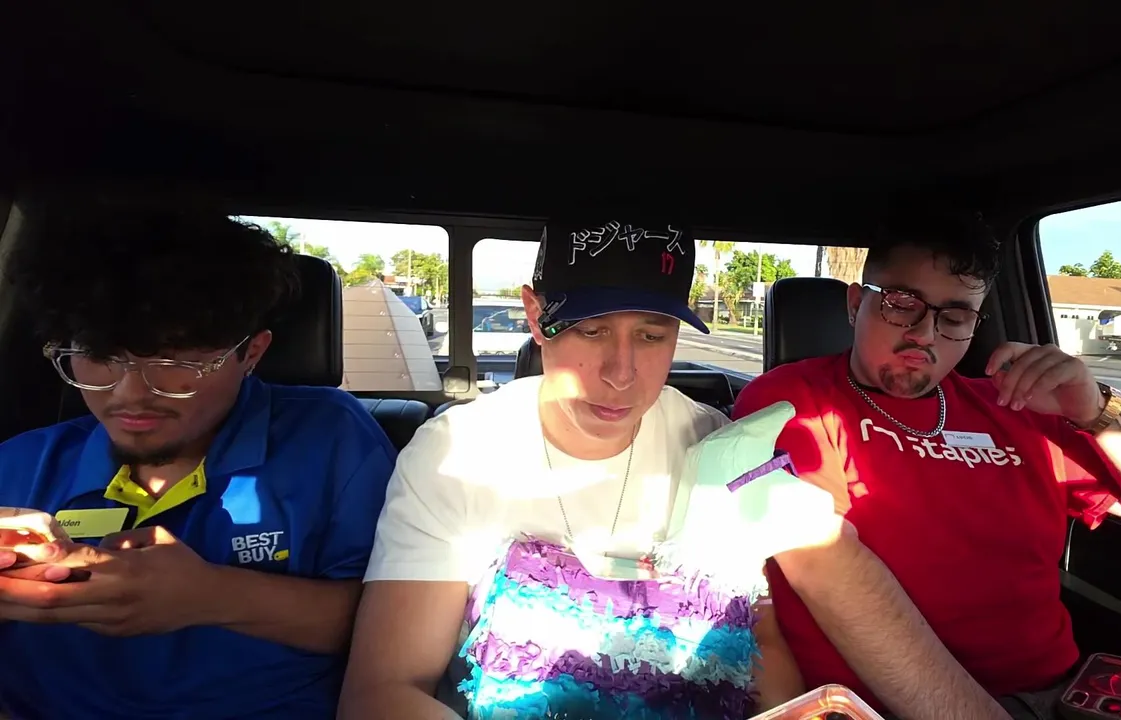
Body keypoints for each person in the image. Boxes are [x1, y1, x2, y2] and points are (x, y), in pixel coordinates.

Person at [731, 210, 1121, 720]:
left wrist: (1095, 407)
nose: (925, 334)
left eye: (955, 317)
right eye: (901, 305)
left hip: (1073, 692)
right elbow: (826, 569)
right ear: (854, 304)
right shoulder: (794, 401)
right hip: (899, 706)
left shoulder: (1017, 407)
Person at [340, 221, 799, 720]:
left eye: (651, 336)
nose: (620, 374)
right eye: (591, 330)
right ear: (536, 316)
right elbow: (382, 691)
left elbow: (763, 649)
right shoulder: (456, 453)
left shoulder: (716, 448)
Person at [0, 206, 397, 719]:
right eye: (98, 356)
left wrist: (212, 596)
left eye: (175, 361)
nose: (129, 394)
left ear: (252, 353)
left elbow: (399, 625)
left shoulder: (331, 441)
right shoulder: (21, 463)